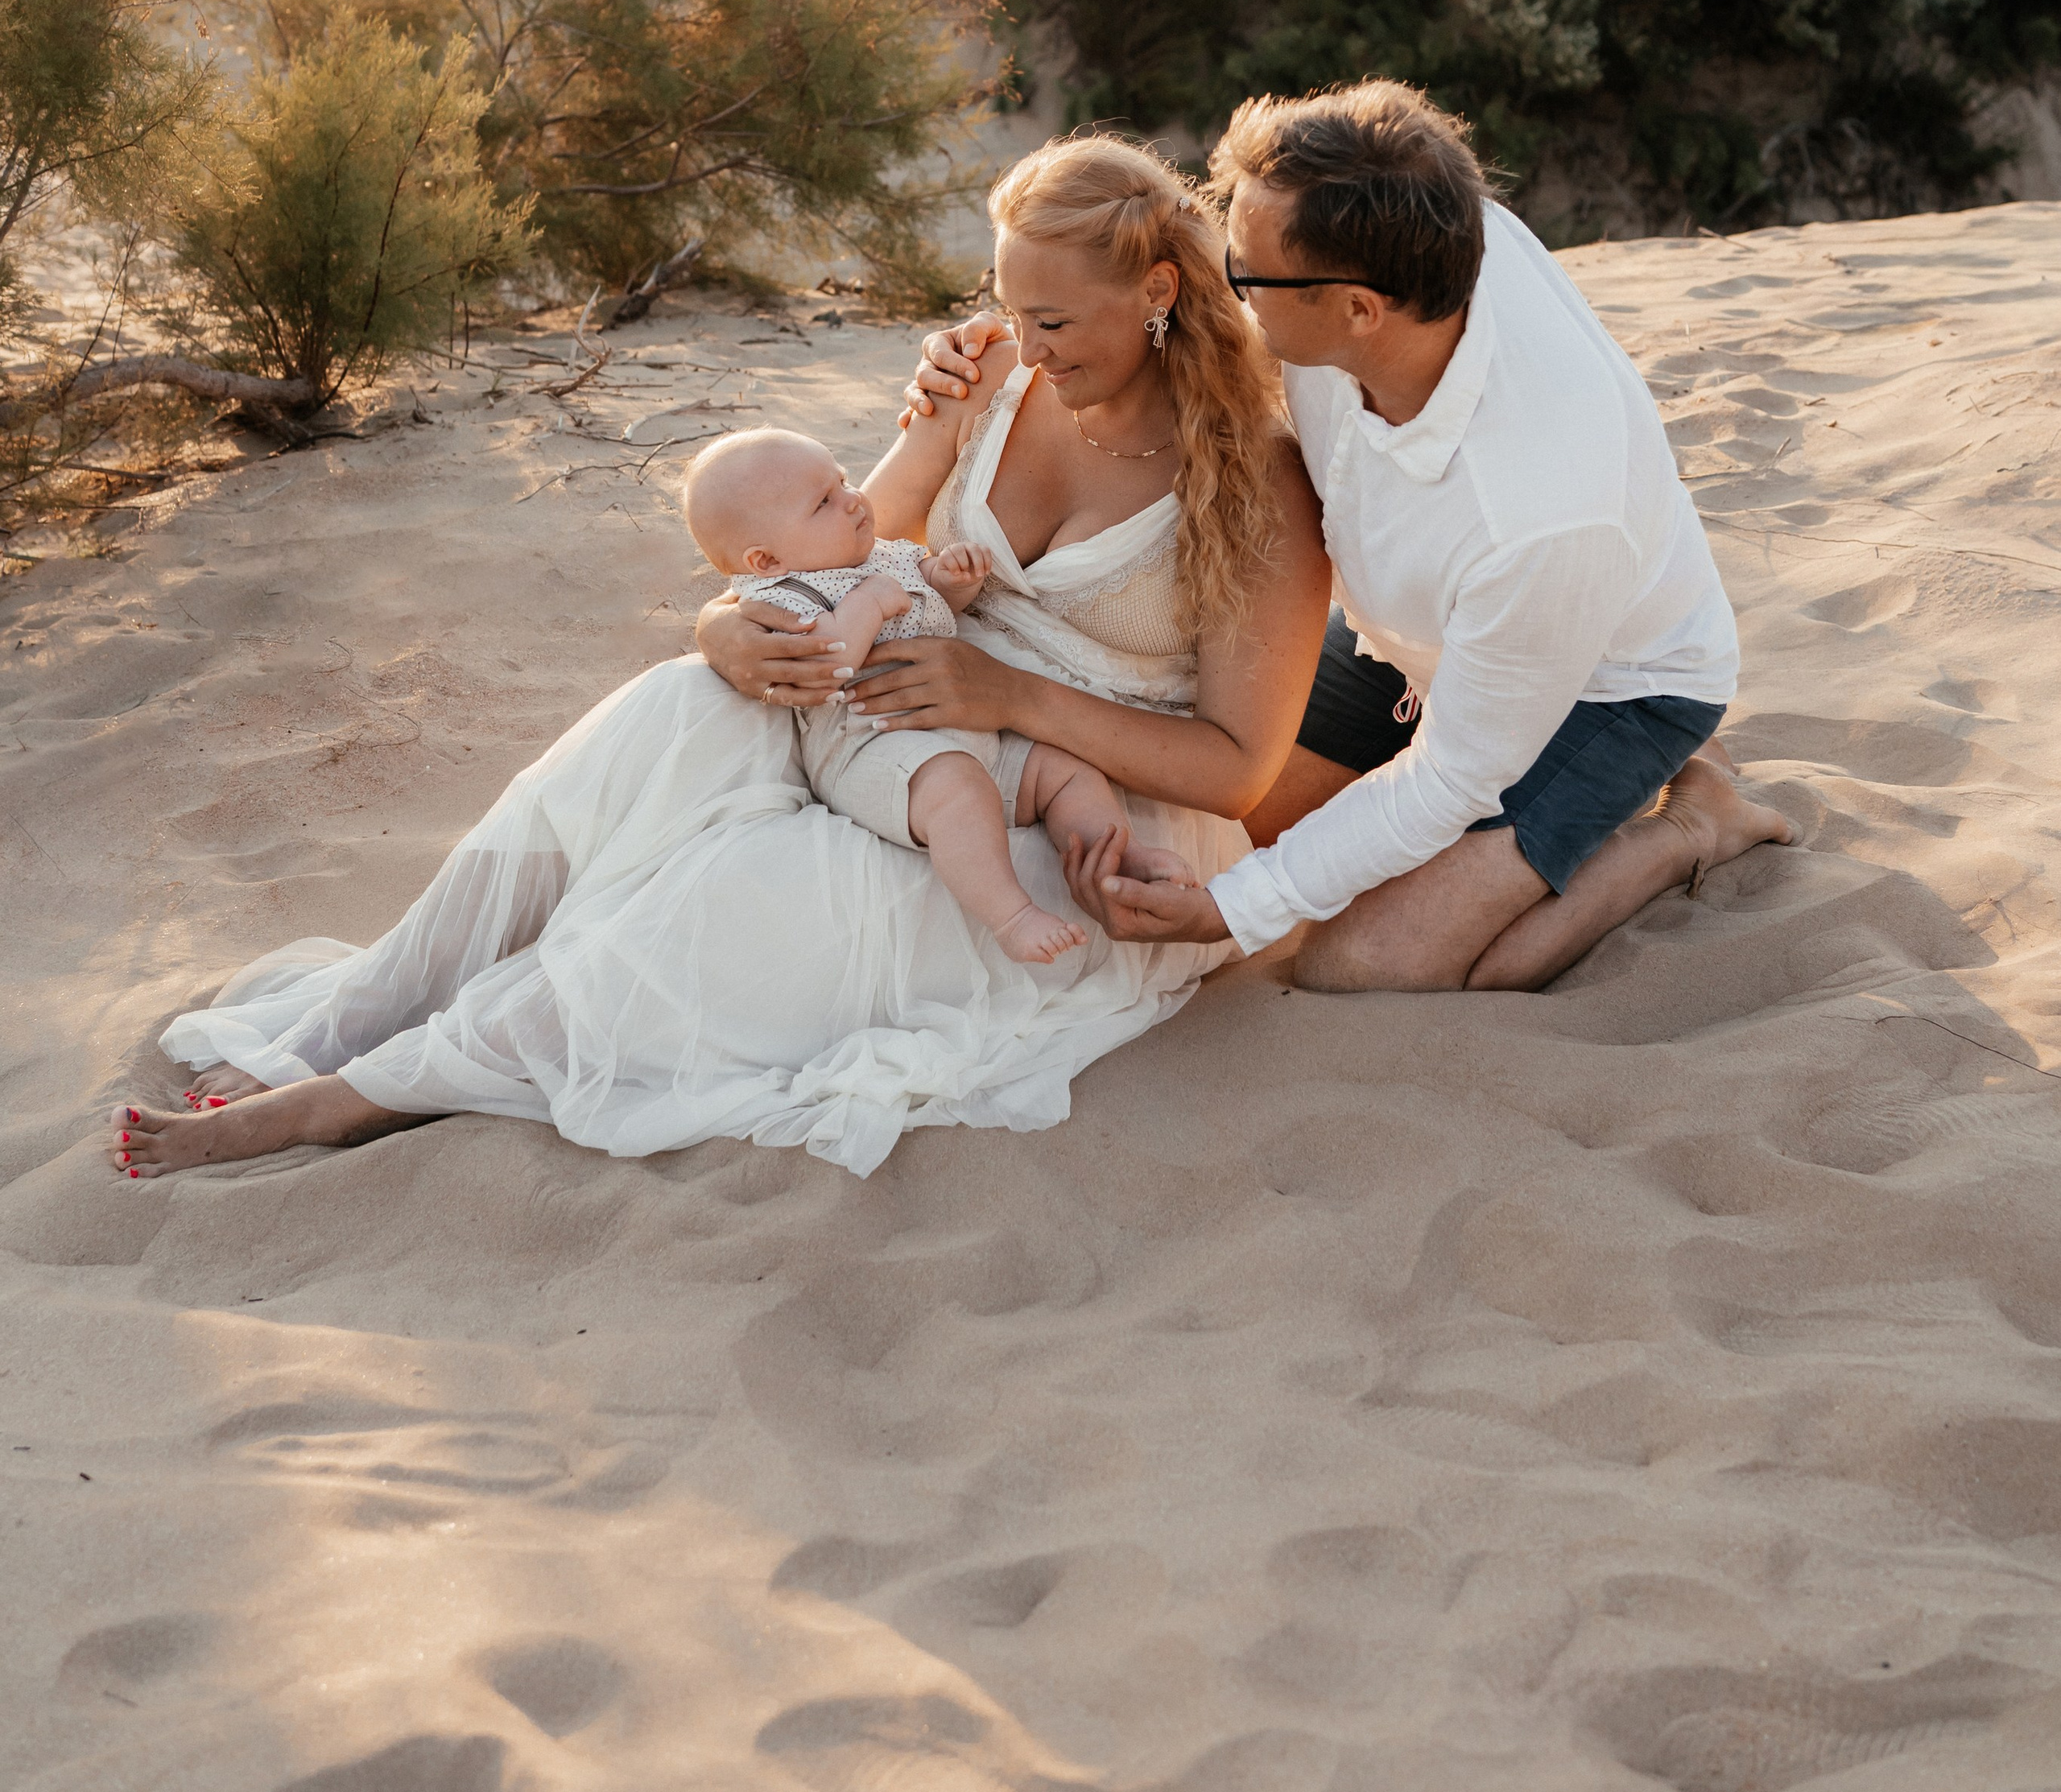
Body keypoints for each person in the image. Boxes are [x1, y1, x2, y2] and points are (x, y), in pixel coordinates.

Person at [111, 135, 1329, 1185]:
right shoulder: (995, 375)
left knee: (740, 897)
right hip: (896, 690)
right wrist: (726, 625)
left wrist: (1006, 696)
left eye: (1052, 320)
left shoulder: (1255, 478)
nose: (1024, 341)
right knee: (669, 713)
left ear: (1160, 291)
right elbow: (857, 527)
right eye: (1010, 309)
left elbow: (1235, 769)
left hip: (1083, 814)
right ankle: (355, 1014)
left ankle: (363, 1097)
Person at [901, 81, 1794, 995]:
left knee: (1373, 960)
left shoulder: (1538, 512)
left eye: (1244, 274)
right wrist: (1015, 343)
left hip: (1604, 684)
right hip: (1404, 628)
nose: (1224, 284)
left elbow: (1450, 780)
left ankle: (1698, 816)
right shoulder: (1403, 232)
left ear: (1358, 310)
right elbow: (1173, 318)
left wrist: (1232, 909)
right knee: (1227, 829)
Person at [683, 424, 1103, 966]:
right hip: (872, 746)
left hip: (965, 732)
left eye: (843, 481)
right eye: (824, 503)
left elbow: (931, 600)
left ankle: (1108, 857)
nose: (855, 501)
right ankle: (1013, 916)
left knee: (1067, 771)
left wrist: (950, 579)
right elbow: (826, 665)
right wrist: (871, 605)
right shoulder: (782, 597)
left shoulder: (878, 556)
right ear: (766, 561)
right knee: (959, 791)